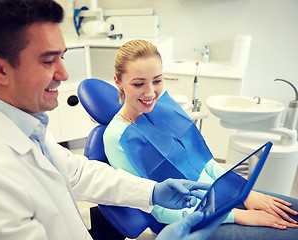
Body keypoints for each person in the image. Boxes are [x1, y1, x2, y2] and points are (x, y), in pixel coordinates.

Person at [0, 1, 226, 239]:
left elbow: (75, 172)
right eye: (48, 61)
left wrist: (152, 191)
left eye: (62, 58)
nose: (64, 75)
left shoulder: (26, 127)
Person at [103, 39, 298, 239]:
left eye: (157, 80)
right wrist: (236, 215)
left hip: (221, 196)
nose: (151, 92)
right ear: (118, 82)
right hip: (189, 220)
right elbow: (157, 208)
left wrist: (243, 192)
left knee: (294, 211)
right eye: (138, 83)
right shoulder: (116, 137)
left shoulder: (163, 107)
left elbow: (204, 163)